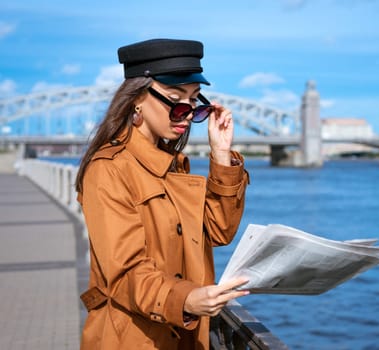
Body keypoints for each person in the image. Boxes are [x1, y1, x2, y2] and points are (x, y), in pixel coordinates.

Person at [75, 38, 250, 349]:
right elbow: (125, 273)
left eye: (196, 102)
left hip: (185, 333)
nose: (187, 113)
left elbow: (218, 231)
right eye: (176, 100)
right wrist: (187, 299)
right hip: (132, 338)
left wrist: (221, 155)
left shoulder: (172, 166)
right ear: (137, 99)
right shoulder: (108, 170)